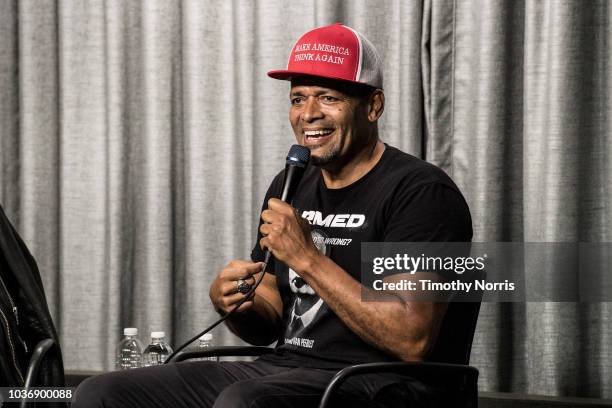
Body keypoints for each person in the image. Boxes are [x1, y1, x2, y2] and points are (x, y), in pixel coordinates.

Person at [73, 23, 472, 408]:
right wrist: (236, 305)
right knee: (101, 393)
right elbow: (268, 322)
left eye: (328, 97)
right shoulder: (292, 182)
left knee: (246, 401)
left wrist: (306, 257)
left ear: (373, 106)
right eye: (298, 98)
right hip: (286, 368)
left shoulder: (421, 192)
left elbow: (410, 339)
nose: (309, 114)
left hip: (380, 382)